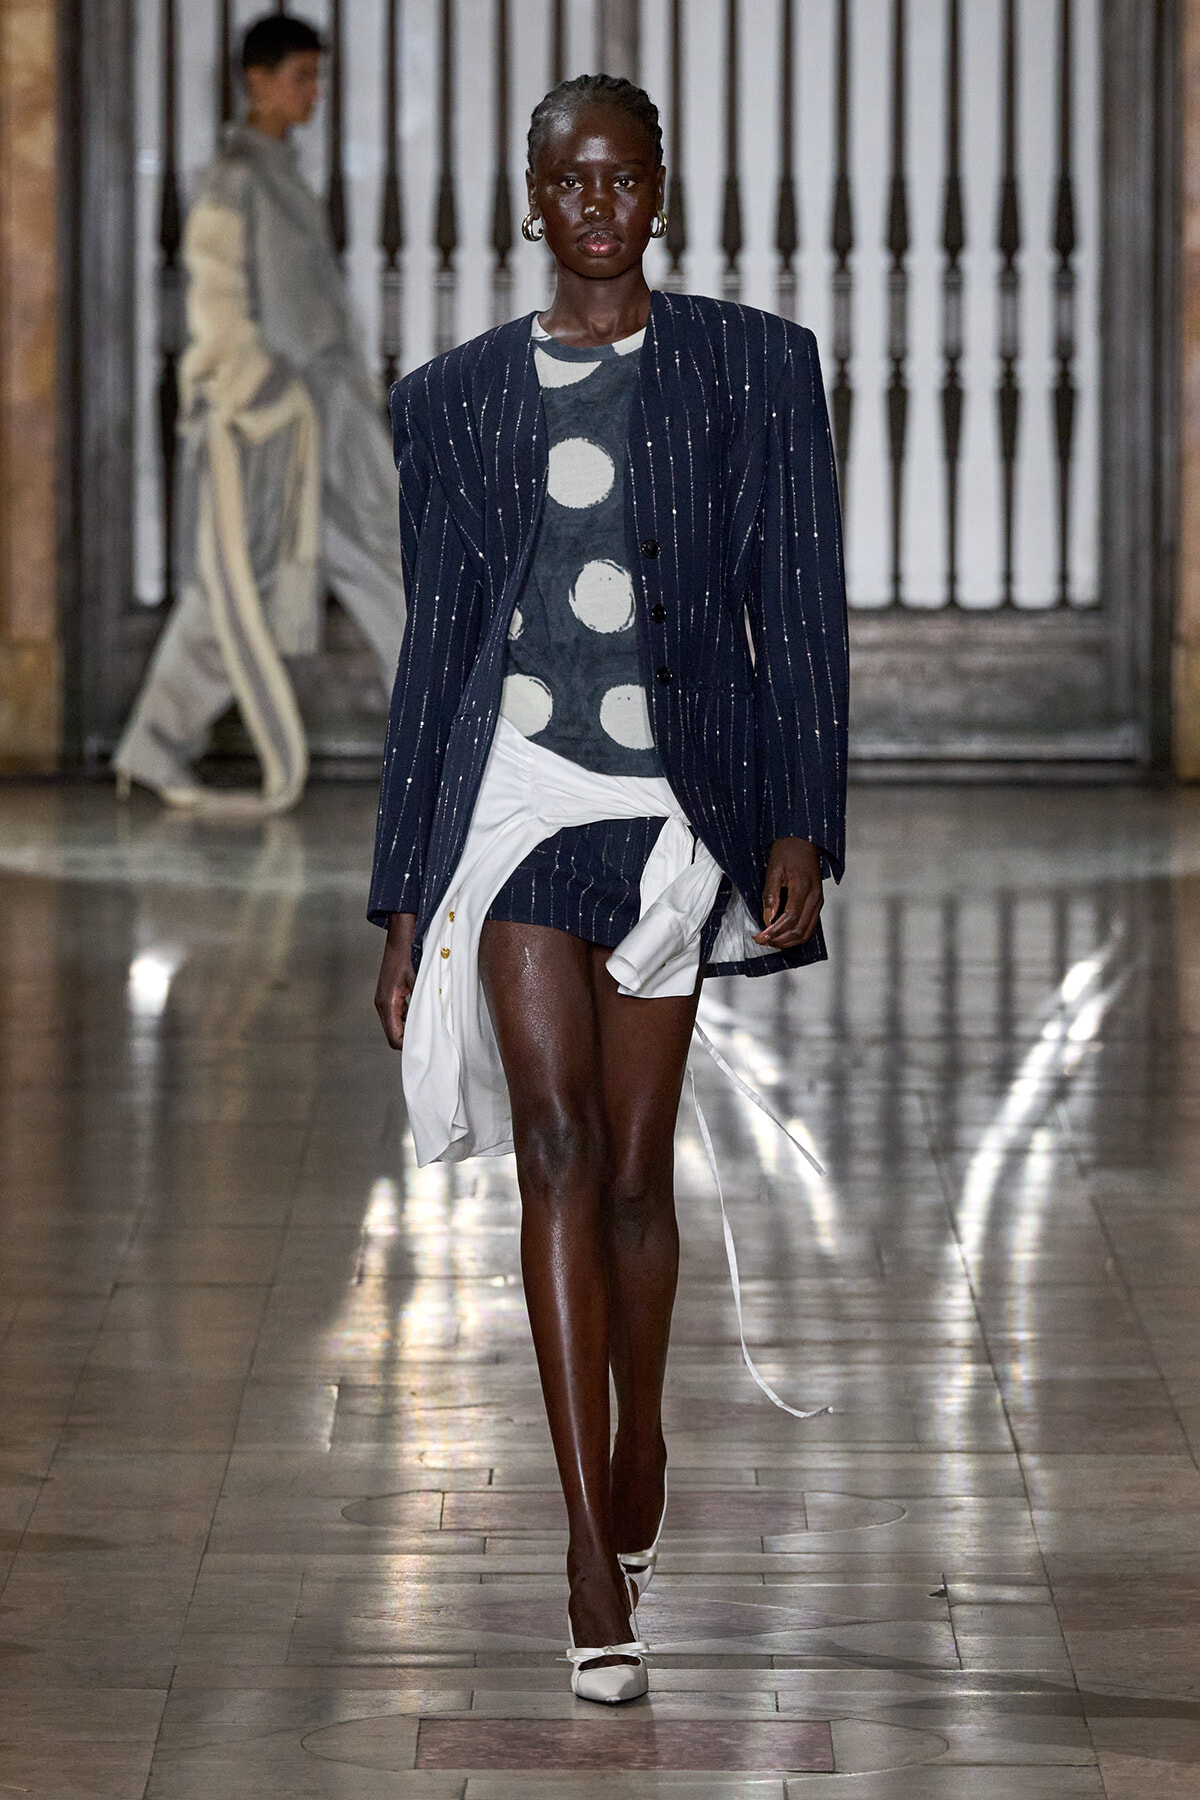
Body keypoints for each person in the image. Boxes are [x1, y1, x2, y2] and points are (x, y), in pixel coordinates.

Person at [370, 74, 848, 1704]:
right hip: (517, 809)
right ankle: (587, 1546)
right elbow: (436, 656)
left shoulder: (751, 369)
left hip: (675, 815)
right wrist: (397, 903)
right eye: (565, 174)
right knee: (558, 1148)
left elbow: (800, 602)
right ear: (530, 197)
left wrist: (801, 818)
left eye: (619, 172)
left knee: (640, 1174)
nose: (593, 197)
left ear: (658, 190)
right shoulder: (452, 402)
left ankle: (644, 1423)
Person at [115, 13, 405, 815]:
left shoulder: (280, 174)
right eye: (299, 77)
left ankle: (439, 743)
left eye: (317, 77)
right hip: (274, 424)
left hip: (330, 421)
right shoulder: (236, 177)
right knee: (239, 584)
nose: (312, 92)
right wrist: (257, 391)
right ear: (256, 79)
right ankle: (155, 742)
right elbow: (218, 304)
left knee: (389, 562)